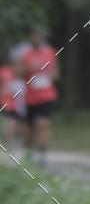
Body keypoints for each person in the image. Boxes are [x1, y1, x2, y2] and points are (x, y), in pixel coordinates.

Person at [17, 29, 59, 166]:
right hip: (30, 97)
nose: (36, 38)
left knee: (43, 124)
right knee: (29, 129)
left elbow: (56, 72)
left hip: (46, 94)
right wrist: (29, 68)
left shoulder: (49, 52)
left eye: (38, 35)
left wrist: (50, 75)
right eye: (33, 36)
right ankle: (29, 151)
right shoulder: (26, 55)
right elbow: (18, 73)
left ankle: (42, 154)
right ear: (30, 38)